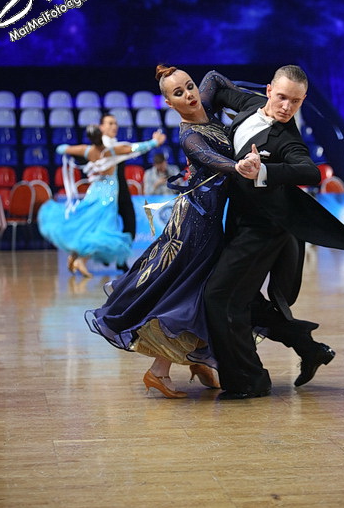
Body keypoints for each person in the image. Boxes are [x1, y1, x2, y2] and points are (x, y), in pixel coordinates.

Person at [204, 66, 344, 399]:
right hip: (239, 220)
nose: (286, 107)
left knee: (219, 296)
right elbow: (214, 82)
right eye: (282, 97)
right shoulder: (249, 103)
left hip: (265, 228)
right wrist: (199, 117)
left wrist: (264, 170)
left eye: (295, 102)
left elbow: (310, 172)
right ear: (269, 90)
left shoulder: (287, 138)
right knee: (246, 301)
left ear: (303, 101)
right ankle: (308, 348)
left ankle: (250, 380)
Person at [85, 66, 260, 398]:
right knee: (188, 293)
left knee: (204, 292)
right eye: (178, 93)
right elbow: (212, 159)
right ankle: (162, 370)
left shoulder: (203, 99)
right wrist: (238, 166)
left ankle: (198, 359)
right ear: (169, 103)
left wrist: (258, 94)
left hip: (209, 220)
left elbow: (214, 77)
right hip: (196, 225)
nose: (189, 95)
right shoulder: (189, 136)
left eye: (189, 86)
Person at [38, 125, 165, 277]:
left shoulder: (87, 150)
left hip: (93, 193)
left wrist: (68, 150)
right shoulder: (111, 151)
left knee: (87, 226)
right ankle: (81, 260)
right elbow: (135, 148)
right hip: (108, 197)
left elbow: (61, 149)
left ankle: (76, 255)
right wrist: (154, 142)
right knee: (102, 231)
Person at [99, 113, 136, 271]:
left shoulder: (118, 145)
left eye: (115, 123)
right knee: (105, 228)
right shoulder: (98, 147)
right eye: (110, 123)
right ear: (101, 127)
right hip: (106, 193)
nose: (114, 126)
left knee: (131, 226)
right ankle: (105, 255)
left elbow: (134, 150)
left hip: (122, 192)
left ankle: (122, 259)